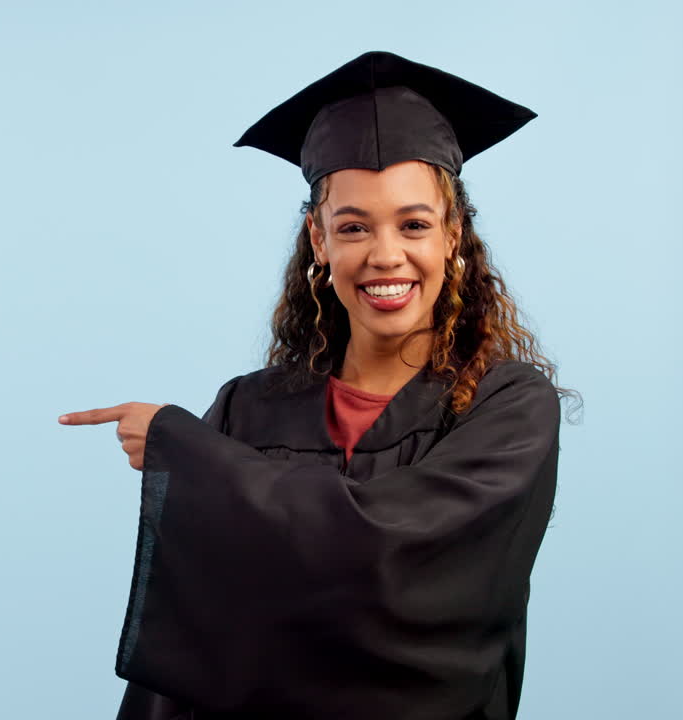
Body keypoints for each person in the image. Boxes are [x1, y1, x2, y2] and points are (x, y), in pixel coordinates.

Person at [58, 51, 576, 719]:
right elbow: (201, 627)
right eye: (353, 226)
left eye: (414, 224)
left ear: (453, 235)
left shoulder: (505, 408)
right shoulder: (250, 408)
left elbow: (394, 567)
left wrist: (183, 452)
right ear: (319, 238)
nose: (386, 254)